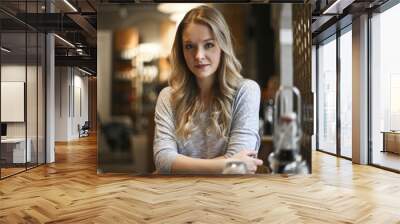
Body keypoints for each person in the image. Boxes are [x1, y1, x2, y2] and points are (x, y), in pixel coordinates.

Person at [153, 5, 263, 174]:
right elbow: (163, 161)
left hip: (231, 196)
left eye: (209, 45)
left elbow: (241, 168)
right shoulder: (167, 97)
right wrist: (227, 165)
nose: (198, 55)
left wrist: (179, 165)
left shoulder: (246, 91)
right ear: (181, 51)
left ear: (222, 46)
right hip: (178, 195)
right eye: (189, 46)